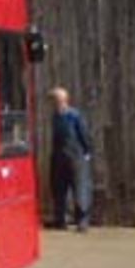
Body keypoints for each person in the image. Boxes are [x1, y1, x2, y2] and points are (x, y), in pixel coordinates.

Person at [48, 87, 94, 231]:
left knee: (80, 189)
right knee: (59, 189)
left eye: (54, 100)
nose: (52, 104)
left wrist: (87, 152)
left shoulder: (74, 116)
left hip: (76, 157)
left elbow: (84, 134)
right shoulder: (55, 117)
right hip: (59, 156)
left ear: (62, 100)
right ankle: (61, 220)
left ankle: (82, 221)